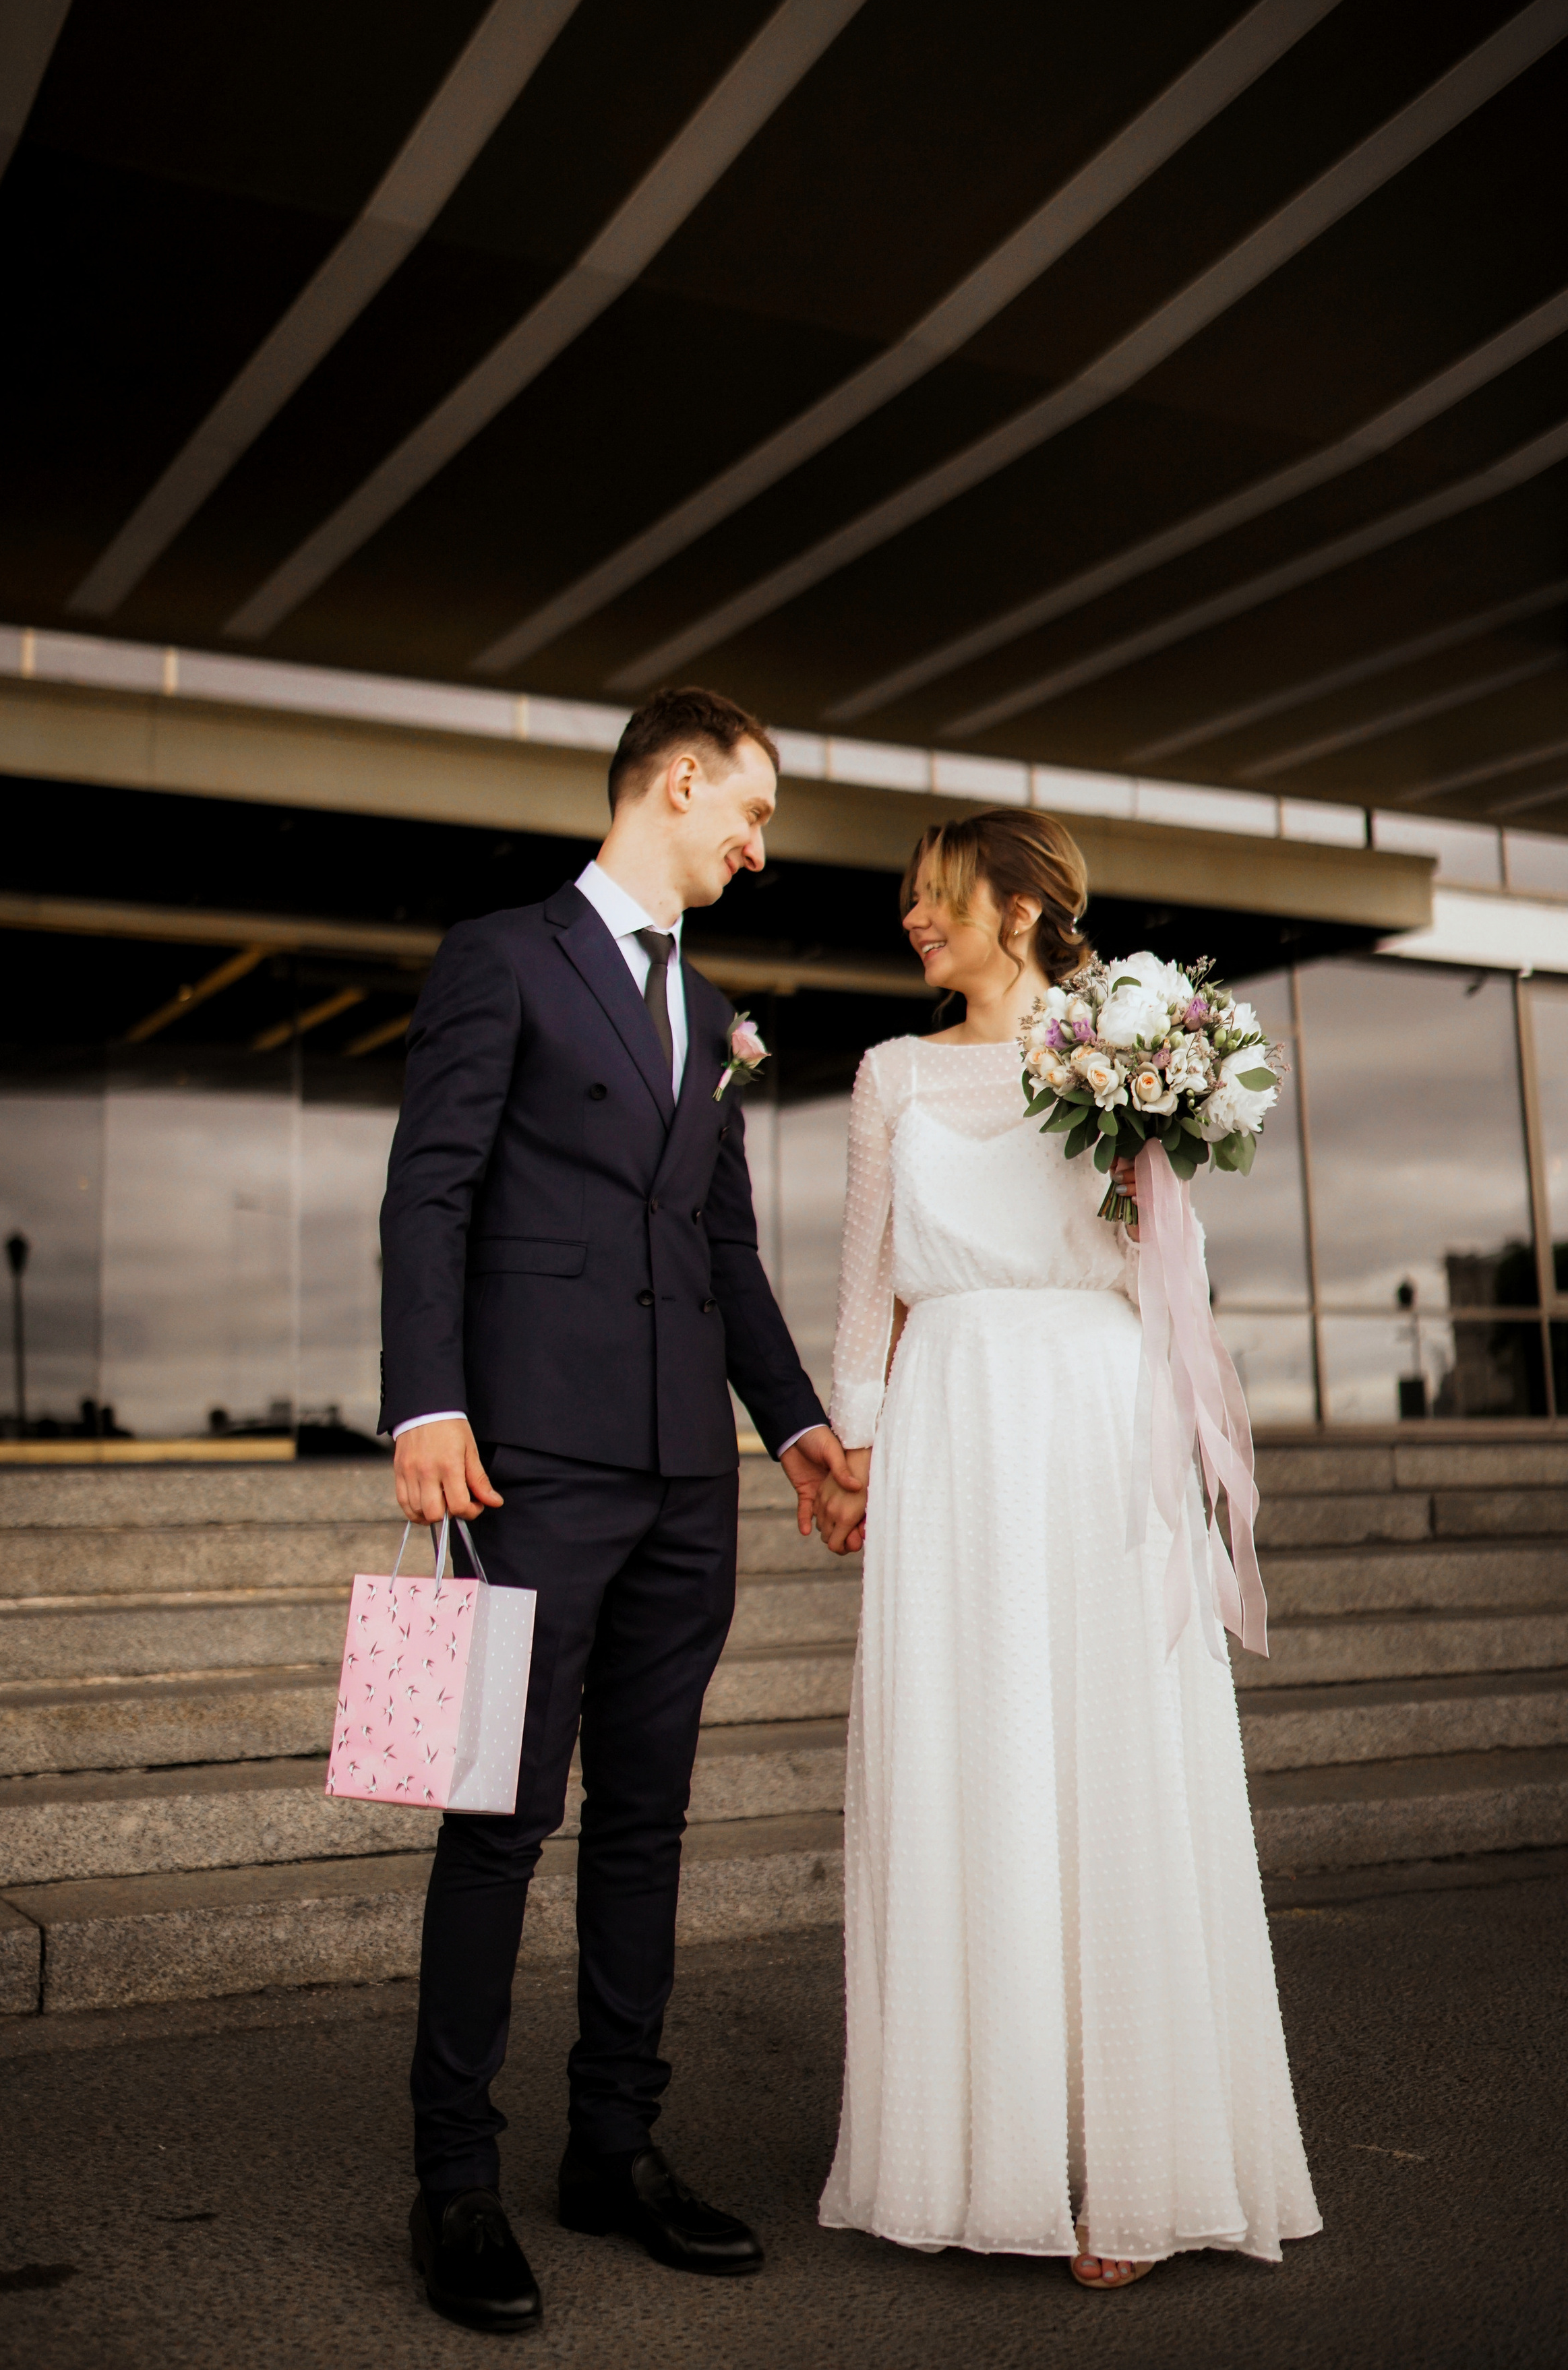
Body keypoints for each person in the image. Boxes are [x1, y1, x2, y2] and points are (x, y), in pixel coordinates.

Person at [379, 686, 859, 2335]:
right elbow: (428, 1185)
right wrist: (424, 1400)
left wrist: (789, 1422)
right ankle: (454, 2179)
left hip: (682, 1479)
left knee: (645, 1817)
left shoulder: (712, 1004)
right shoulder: (500, 956)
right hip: (522, 1462)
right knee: (494, 1814)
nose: (756, 843)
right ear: (674, 780)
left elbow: (721, 1245)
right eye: (751, 809)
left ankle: (613, 2145)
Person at [808, 809, 1320, 2286]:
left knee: (1103, 1769)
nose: (916, 918)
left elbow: (1166, 1263)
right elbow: (862, 1290)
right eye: (909, 900)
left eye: (939, 896)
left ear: (1021, 907)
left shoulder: (1120, 1048)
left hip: (1090, 1422)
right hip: (950, 1428)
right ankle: (973, 2147)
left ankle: (1135, 2169)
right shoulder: (888, 1074)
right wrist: (854, 1443)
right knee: (965, 1763)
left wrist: (1151, 1135)